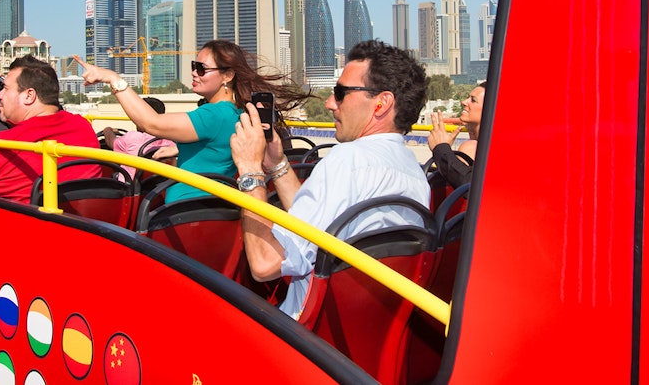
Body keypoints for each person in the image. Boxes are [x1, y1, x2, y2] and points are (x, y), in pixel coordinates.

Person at [230, 40, 430, 318]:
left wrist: (251, 170)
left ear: (381, 103)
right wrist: (277, 164)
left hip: (299, 334)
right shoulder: (414, 170)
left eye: (340, 93)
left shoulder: (346, 161)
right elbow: (317, 222)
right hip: (356, 328)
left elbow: (264, 264)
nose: (329, 103)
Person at [75, 40, 309, 202]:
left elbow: (151, 124)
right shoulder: (238, 113)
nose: (194, 73)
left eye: (201, 68)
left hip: (184, 207)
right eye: (193, 66)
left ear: (227, 76)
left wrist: (112, 78)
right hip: (215, 204)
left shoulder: (212, 115)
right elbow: (215, 145)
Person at [0, 55, 101, 204]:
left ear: (29, 95)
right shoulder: (83, 127)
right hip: (79, 232)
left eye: (5, 88)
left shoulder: (4, 146)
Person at [427, 81, 486, 188]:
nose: (464, 102)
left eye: (473, 100)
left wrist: (441, 148)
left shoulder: (472, 148)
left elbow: (464, 183)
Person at [102, 97, 177, 177]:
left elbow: (111, 142)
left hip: (130, 185)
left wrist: (107, 130)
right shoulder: (170, 140)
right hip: (159, 185)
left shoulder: (133, 137)